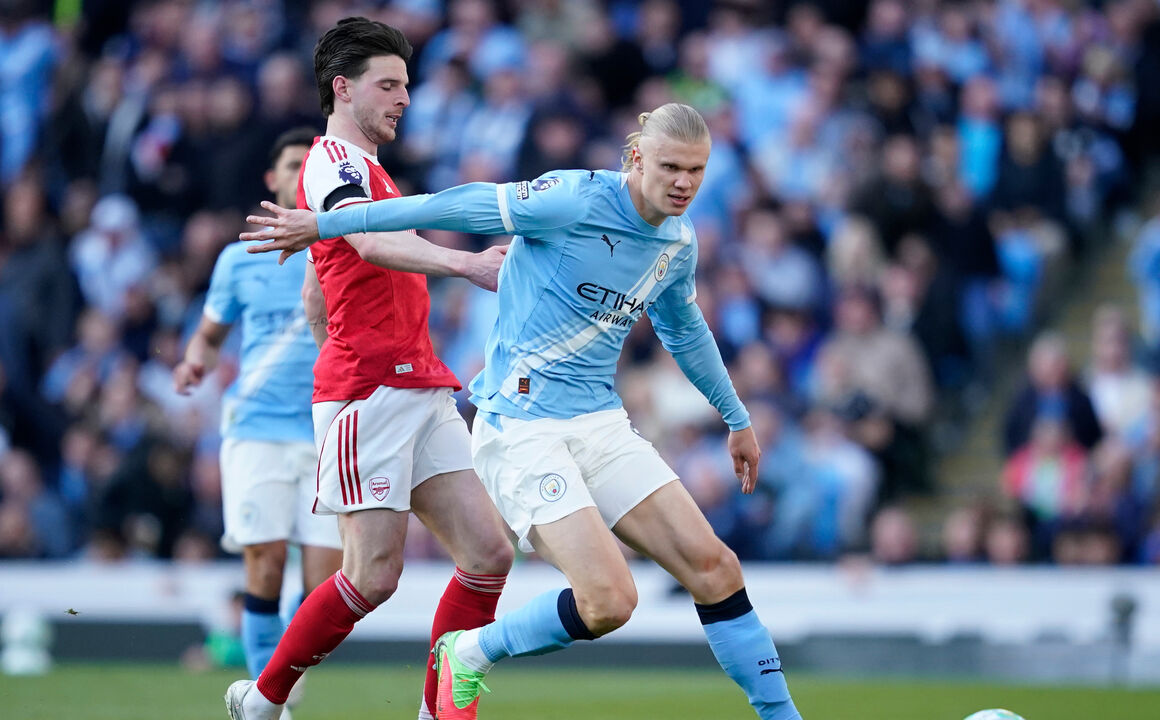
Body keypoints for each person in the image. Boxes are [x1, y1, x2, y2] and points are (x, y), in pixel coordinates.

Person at [241, 102, 803, 720]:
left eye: (697, 171)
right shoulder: (571, 199)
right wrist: (325, 225)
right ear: (637, 157)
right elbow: (447, 205)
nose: (684, 184)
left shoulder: (678, 239)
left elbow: (684, 327)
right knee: (609, 600)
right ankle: (470, 652)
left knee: (717, 568)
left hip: (601, 423)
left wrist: (736, 416)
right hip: (522, 426)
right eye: (671, 166)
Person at [224, 18, 514, 720]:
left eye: (407, 86)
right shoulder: (331, 163)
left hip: (419, 381)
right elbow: (369, 241)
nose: (404, 98)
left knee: (489, 554)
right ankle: (262, 699)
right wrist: (463, 262)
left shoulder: (373, 171)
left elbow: (318, 287)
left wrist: (341, 330)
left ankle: (442, 710)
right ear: (342, 87)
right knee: (373, 576)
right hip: (372, 391)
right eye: (389, 85)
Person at [174, 128, 343, 719]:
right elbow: (211, 333)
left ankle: (272, 686)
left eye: (312, 165)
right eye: (293, 164)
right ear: (272, 180)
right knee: (264, 560)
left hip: (329, 429)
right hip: (258, 429)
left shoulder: (349, 245)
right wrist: (196, 358)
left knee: (326, 588)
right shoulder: (237, 257)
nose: (302, 174)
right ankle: (269, 703)